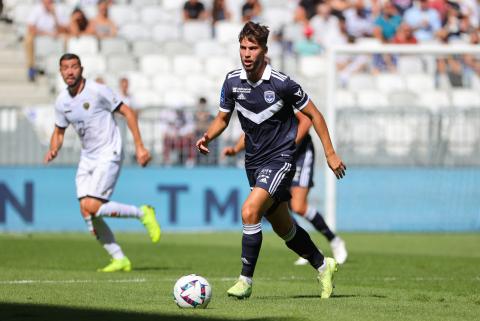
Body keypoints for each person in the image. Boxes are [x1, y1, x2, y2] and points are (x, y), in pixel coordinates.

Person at [196, 22, 346, 299]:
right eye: (242, 48)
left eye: (252, 48)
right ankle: (324, 265)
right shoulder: (232, 82)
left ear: (264, 50)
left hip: (281, 160)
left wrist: (330, 153)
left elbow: (315, 115)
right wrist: (208, 137)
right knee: (283, 227)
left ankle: (245, 281)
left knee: (249, 211)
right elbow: (222, 119)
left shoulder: (282, 83)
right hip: (253, 163)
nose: (246, 54)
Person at [44, 53, 161, 272]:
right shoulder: (62, 102)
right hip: (88, 157)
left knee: (92, 205)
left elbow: (127, 112)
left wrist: (139, 146)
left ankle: (143, 212)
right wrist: (54, 148)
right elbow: (58, 132)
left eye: (73, 67)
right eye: (65, 68)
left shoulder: (97, 91)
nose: (70, 71)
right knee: (86, 210)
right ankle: (119, 259)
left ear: (81, 69)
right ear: (60, 72)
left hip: (109, 151)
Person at [223, 112, 348, 266]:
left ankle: (334, 241)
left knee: (298, 206)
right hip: (274, 158)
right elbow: (253, 130)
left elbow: (307, 119)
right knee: (279, 205)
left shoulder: (280, 91)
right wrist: (236, 149)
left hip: (299, 152)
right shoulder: (256, 98)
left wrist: (289, 145)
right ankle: (308, 248)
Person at [25, 0, 69, 81]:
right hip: (41, 35)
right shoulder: (36, 9)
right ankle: (31, 66)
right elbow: (30, 28)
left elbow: (64, 29)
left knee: (67, 38)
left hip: (56, 35)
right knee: (28, 39)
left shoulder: (59, 9)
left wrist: (54, 15)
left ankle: (66, 64)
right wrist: (47, 33)